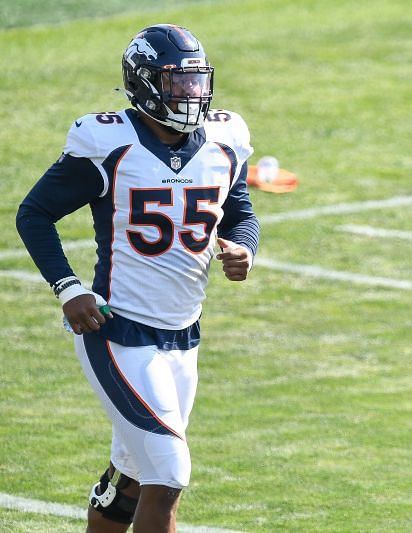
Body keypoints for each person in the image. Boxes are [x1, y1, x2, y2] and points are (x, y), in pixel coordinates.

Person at [16, 24, 260, 532]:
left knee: (132, 473)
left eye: (195, 81)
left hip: (184, 333)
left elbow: (239, 212)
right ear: (145, 83)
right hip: (116, 330)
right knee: (169, 472)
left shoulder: (225, 137)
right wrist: (68, 287)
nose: (190, 94)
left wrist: (245, 248)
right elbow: (34, 213)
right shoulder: (108, 141)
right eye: (176, 82)